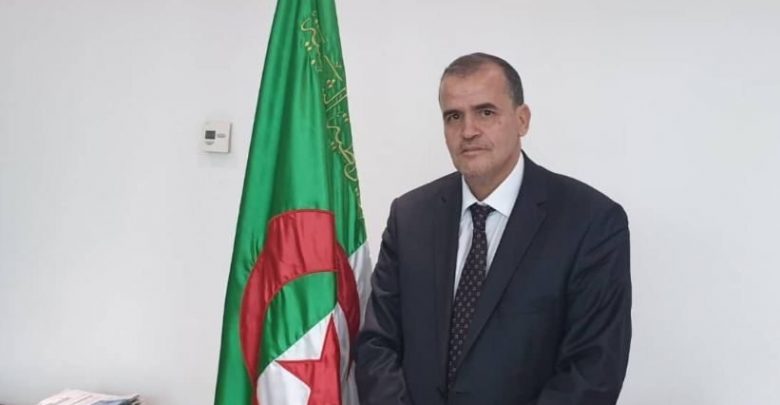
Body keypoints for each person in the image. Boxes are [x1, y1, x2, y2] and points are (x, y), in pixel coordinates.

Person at [354, 53, 631, 405]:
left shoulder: (590, 222)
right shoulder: (409, 217)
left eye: (485, 112)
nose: (468, 131)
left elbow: (593, 371)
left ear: (522, 120)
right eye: (454, 116)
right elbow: (377, 344)